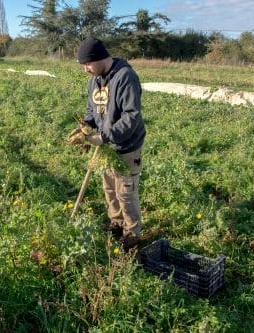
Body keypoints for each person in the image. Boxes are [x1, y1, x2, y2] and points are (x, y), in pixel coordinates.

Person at [68, 36, 146, 251]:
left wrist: (102, 137)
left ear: (100, 58)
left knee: (126, 193)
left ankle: (132, 235)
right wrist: (85, 128)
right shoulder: (94, 80)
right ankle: (117, 223)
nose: (86, 69)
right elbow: (92, 111)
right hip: (106, 148)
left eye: (87, 64)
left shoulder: (125, 77)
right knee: (110, 188)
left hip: (126, 147)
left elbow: (132, 116)